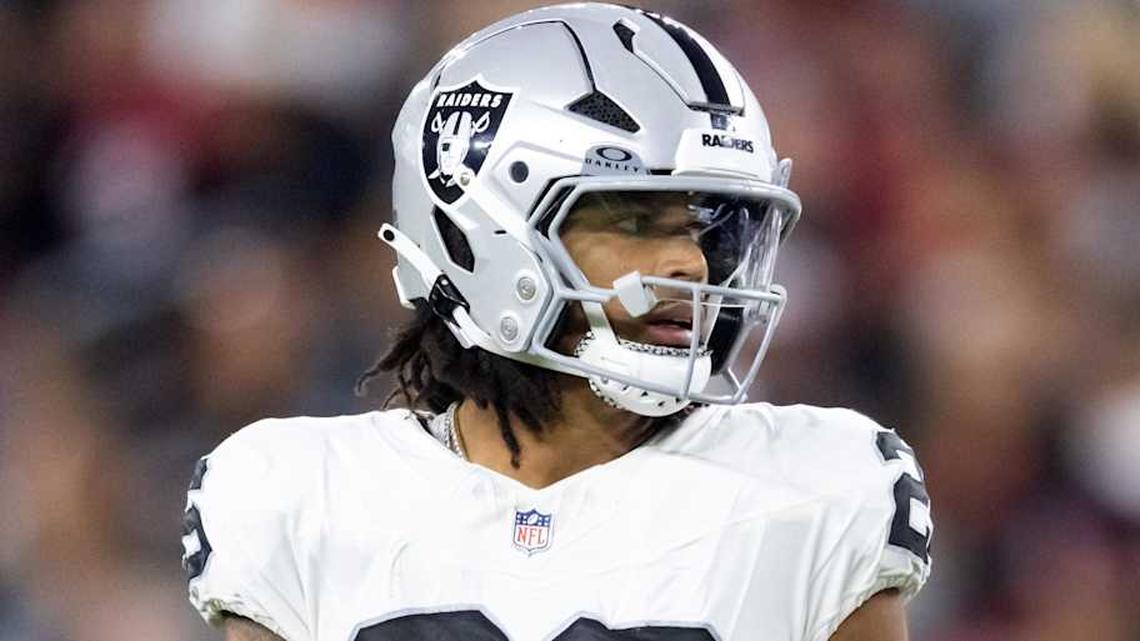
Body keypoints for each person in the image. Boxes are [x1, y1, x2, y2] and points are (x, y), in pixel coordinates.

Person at [180, 4, 933, 641]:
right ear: (483, 232)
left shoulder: (812, 488)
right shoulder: (298, 500)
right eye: (634, 218)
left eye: (709, 226)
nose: (692, 263)